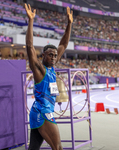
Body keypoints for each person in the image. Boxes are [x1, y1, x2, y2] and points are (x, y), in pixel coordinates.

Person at [24, 3, 73, 150]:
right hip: (43, 112)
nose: (53, 57)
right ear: (43, 55)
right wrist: (31, 20)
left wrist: (69, 23)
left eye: (55, 55)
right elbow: (30, 47)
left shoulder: (52, 67)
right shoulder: (40, 70)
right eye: (50, 55)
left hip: (39, 112)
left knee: (34, 148)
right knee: (58, 148)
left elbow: (63, 44)